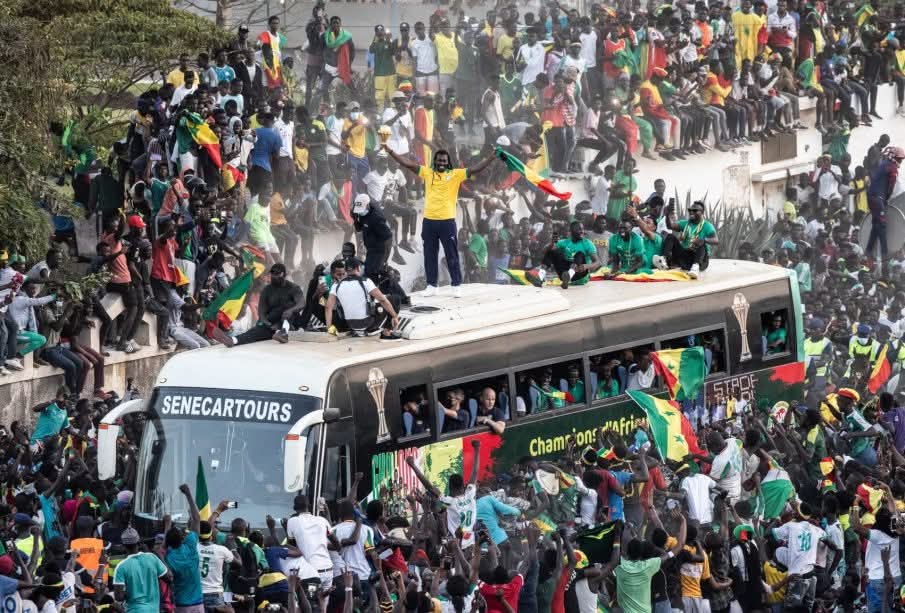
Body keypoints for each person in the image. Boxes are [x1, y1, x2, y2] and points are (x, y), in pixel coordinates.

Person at [382, 144, 497, 298]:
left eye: (444, 160)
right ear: (435, 162)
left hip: (447, 222)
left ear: (448, 162)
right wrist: (390, 151)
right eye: (439, 161)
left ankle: (456, 284)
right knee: (430, 254)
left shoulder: (455, 174)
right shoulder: (428, 173)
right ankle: (431, 285)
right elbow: (407, 164)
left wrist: (491, 157)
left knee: (451, 254)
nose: (441, 163)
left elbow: (476, 168)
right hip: (429, 222)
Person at [211, 263, 302, 347]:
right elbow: (262, 310)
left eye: (277, 274)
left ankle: (283, 332)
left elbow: (301, 303)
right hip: (272, 325)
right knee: (255, 332)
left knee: (288, 306)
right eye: (273, 274)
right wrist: (266, 323)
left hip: (290, 323)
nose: (274, 277)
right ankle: (233, 340)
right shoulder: (267, 290)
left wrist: (290, 310)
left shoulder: (293, 288)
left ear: (283, 275)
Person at [325, 257, 399, 338]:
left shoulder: (336, 285)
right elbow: (382, 300)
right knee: (395, 299)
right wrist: (394, 316)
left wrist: (329, 327)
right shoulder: (366, 281)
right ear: (358, 268)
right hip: (368, 324)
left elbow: (328, 307)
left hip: (350, 324)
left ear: (345, 270)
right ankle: (387, 332)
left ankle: (357, 331)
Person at [113, 526, 171, 612]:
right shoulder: (152, 558)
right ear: (139, 543)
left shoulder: (121, 566)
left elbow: (119, 597)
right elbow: (169, 578)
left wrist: (131, 591)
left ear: (123, 546)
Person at [528, 221, 599, 289]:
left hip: (579, 275)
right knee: (552, 251)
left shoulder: (587, 243)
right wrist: (552, 243)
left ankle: (569, 276)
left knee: (579, 254)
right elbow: (544, 251)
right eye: (579, 229)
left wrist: (586, 266)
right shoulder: (565, 242)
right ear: (571, 231)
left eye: (582, 229)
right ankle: (540, 278)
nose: (582, 231)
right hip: (564, 274)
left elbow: (597, 262)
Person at [658, 200, 718, 278]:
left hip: (701, 260)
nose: (691, 212)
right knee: (670, 237)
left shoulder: (707, 226)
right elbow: (670, 226)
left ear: (702, 212)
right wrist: (667, 214)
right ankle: (663, 260)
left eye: (695, 210)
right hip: (685, 258)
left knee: (700, 242)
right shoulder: (685, 223)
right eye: (690, 210)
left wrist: (704, 240)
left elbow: (716, 240)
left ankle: (695, 267)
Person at [351, 194, 393, 282]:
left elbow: (388, 237)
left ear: (367, 205)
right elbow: (359, 229)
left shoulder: (376, 218)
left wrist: (384, 259)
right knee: (367, 272)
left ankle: (390, 288)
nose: (360, 212)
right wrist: (355, 219)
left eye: (361, 210)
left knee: (373, 274)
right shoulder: (361, 212)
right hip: (370, 250)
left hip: (379, 251)